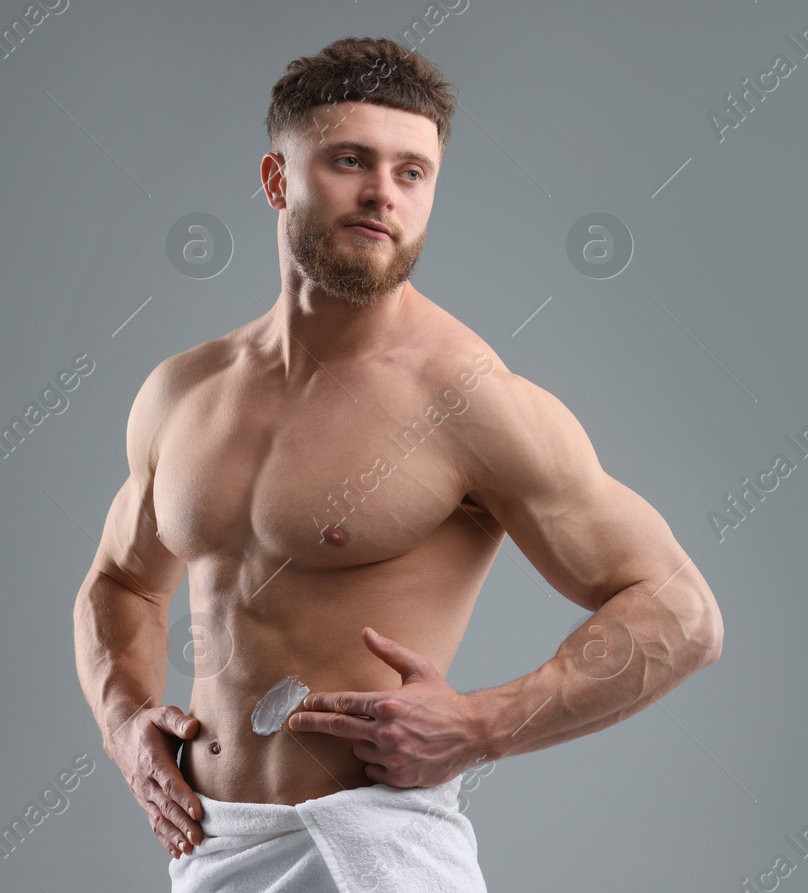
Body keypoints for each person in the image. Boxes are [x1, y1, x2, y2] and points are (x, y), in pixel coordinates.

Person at [71, 36, 723, 892]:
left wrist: (483, 723)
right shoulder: (183, 393)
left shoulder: (467, 398)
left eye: (414, 172)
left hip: (375, 852)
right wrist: (124, 722)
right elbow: (120, 582)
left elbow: (682, 613)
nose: (384, 192)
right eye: (351, 160)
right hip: (213, 848)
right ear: (277, 180)